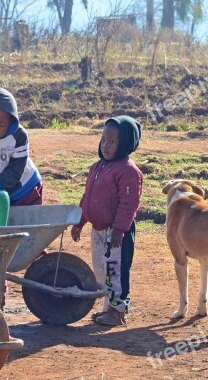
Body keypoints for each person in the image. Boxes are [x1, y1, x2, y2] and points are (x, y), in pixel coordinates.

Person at [70, 115, 143, 326]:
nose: (105, 145)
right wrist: (80, 221)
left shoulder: (128, 172)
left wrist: (119, 231)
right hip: (98, 230)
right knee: (101, 271)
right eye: (103, 140)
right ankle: (107, 308)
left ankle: (118, 311)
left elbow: (129, 205)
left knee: (115, 271)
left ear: (126, 144)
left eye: (112, 142)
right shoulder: (97, 167)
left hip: (116, 233)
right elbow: (88, 198)